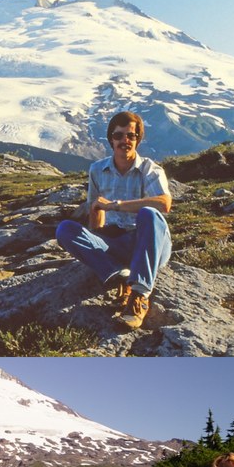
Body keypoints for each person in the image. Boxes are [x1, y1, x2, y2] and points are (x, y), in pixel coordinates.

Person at [55, 111, 172, 329]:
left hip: (147, 242)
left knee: (149, 214)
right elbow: (95, 208)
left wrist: (115, 205)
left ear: (138, 139)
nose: (124, 141)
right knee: (65, 230)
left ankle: (139, 296)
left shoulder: (150, 170)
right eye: (119, 136)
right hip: (115, 241)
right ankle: (119, 274)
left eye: (131, 136)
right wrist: (96, 242)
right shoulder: (97, 169)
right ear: (111, 139)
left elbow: (164, 204)